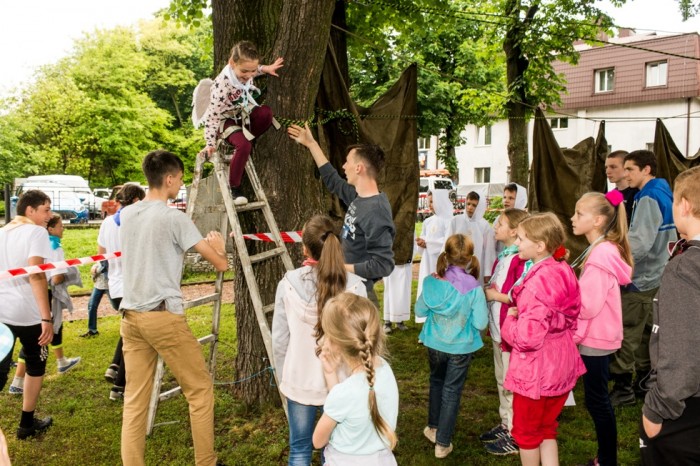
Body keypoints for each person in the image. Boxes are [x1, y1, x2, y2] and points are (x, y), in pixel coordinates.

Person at [118, 150, 229, 466]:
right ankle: (206, 462)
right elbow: (220, 264)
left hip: (131, 318)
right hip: (162, 317)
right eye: (180, 179)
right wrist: (219, 246)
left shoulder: (128, 214)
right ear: (168, 179)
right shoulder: (174, 218)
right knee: (200, 390)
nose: (181, 185)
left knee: (135, 401)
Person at [272, 215, 367, 466]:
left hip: (299, 380)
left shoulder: (287, 284)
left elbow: (280, 340)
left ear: (304, 248)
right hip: (343, 383)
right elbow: (363, 340)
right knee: (337, 452)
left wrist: (285, 377)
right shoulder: (356, 287)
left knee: (300, 451)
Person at [501, 212, 586, 466]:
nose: (517, 243)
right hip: (561, 363)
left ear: (539, 246)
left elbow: (528, 338)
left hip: (536, 371)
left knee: (526, 434)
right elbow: (572, 316)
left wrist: (510, 321)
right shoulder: (563, 269)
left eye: (522, 238)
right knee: (547, 427)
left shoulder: (538, 283)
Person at [287, 124, 395, 310]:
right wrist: (311, 144)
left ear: (359, 168)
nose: (344, 166)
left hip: (359, 296)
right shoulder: (359, 198)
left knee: (359, 339)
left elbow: (383, 265)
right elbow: (333, 180)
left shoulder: (376, 211)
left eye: (347, 162)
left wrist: (339, 266)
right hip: (345, 288)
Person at [639, 166, 700, 464]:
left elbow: (681, 349)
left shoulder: (685, 268)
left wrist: (657, 409)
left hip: (686, 411)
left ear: (685, 205)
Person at [570, 192, 633, 466]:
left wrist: (562, 300)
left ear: (597, 220)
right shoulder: (602, 249)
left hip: (594, 338)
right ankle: (606, 458)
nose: (572, 218)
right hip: (598, 336)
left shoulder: (599, 256)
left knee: (597, 403)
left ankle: (607, 460)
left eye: (579, 214)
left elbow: (587, 306)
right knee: (598, 401)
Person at [609, 150, 676, 407]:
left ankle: (623, 387)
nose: (625, 175)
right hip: (659, 274)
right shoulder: (663, 193)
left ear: (646, 170)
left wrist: (616, 262)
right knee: (649, 332)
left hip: (642, 276)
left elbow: (639, 243)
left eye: (629, 170)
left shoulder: (648, 197)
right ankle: (645, 381)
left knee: (627, 331)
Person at [415, 233, 489, 459]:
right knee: (452, 391)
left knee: (437, 382)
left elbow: (419, 311)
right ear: (469, 259)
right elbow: (480, 322)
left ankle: (434, 427)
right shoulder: (474, 287)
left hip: (434, 344)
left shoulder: (431, 281)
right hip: (460, 348)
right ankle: (442, 443)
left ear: (446, 256)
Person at [312, 293, 399, 465]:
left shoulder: (346, 393)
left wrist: (330, 375)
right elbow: (348, 403)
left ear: (336, 341)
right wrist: (331, 374)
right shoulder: (385, 370)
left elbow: (318, 441)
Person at [0, 190, 55, 440]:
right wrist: (47, 317)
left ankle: (27, 424)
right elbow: (36, 274)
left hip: (3, 313)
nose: (50, 215)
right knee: (35, 365)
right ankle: (26, 424)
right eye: (45, 209)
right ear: (29, 210)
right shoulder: (36, 232)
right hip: (30, 314)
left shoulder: (2, 232)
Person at [202, 40, 284, 205]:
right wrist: (209, 143)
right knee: (244, 145)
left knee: (266, 113)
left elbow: (253, 69)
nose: (248, 75)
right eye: (244, 71)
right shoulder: (222, 85)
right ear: (232, 63)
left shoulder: (250, 71)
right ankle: (234, 188)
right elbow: (212, 116)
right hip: (225, 120)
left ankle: (246, 140)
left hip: (242, 115)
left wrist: (265, 69)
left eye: (253, 71)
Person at [8, 214, 82, 395]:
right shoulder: (54, 247)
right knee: (40, 337)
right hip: (43, 294)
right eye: (60, 226)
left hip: (23, 298)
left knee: (37, 338)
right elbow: (54, 277)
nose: (63, 229)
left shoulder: (27, 240)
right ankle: (19, 381)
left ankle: (58, 362)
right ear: (51, 229)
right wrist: (68, 273)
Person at [481, 208, 530, 456]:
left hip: (509, 332)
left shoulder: (521, 260)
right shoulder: (505, 256)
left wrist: (494, 295)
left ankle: (515, 433)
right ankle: (506, 423)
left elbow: (520, 295)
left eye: (500, 224)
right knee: (502, 379)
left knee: (511, 382)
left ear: (514, 231)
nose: (495, 227)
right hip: (499, 329)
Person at [99, 183, 146, 401]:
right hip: (132, 287)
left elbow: (101, 255)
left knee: (128, 331)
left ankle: (114, 365)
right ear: (136, 200)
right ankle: (119, 386)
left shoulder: (107, 222)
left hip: (115, 287)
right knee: (134, 340)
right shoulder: (135, 221)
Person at [414, 190, 452, 325]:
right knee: (428, 288)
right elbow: (425, 236)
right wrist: (422, 242)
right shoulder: (428, 221)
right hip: (427, 261)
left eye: (432, 201)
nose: (430, 205)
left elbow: (447, 241)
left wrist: (428, 243)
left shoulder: (449, 221)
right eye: (429, 201)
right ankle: (427, 321)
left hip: (440, 262)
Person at [447, 190, 496, 283]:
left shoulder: (484, 225)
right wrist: (445, 264)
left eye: (474, 205)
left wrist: (487, 272)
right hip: (456, 265)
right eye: (468, 204)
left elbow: (488, 250)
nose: (470, 207)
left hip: (476, 265)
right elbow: (448, 243)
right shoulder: (456, 221)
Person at [605, 150, 638, 225]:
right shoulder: (611, 195)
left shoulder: (637, 193)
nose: (607, 171)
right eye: (606, 167)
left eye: (613, 167)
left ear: (626, 167)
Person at [81, 260, 109, 337]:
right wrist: (94, 267)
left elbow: (105, 266)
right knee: (92, 305)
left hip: (110, 283)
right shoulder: (102, 250)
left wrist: (96, 269)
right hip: (100, 283)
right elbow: (99, 263)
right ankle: (92, 330)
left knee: (117, 306)